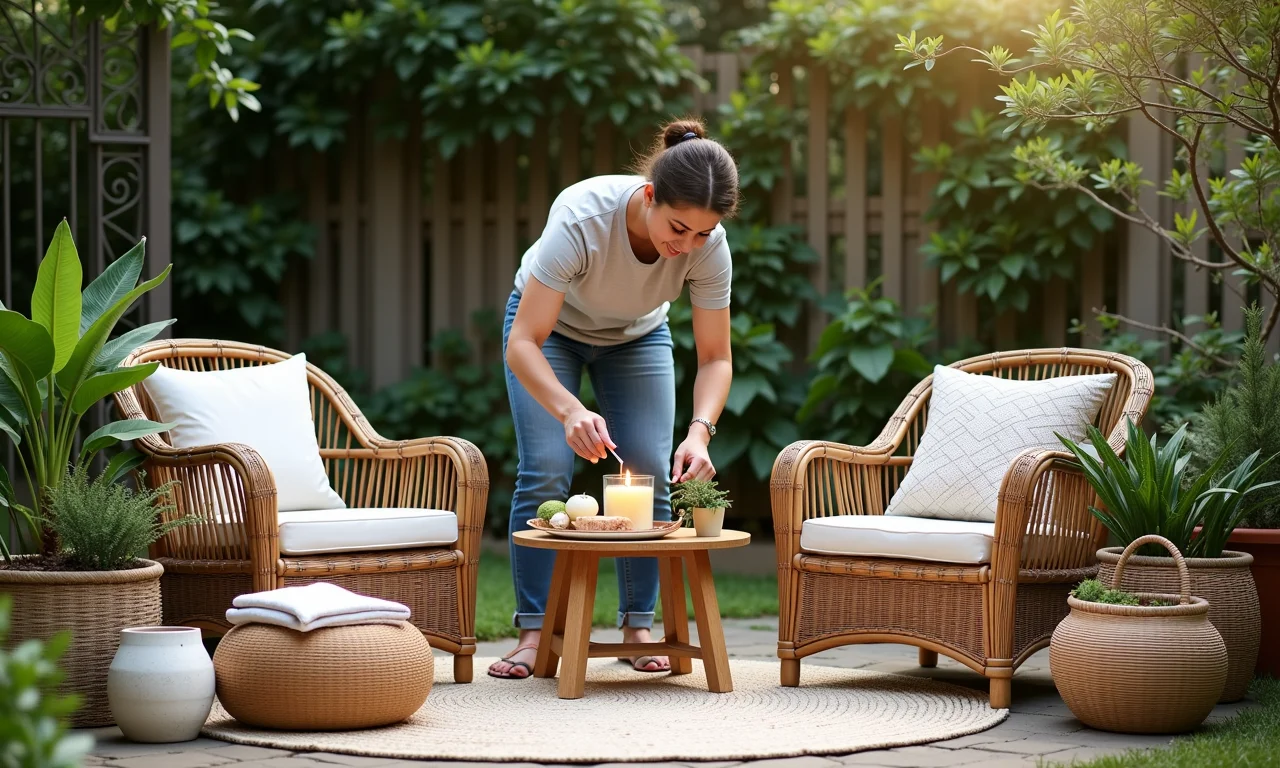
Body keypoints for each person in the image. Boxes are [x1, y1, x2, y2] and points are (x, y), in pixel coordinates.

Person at [488, 118, 740, 679]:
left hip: (638, 336)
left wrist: (700, 431)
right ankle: (535, 635)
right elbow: (523, 342)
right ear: (649, 195)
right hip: (551, 334)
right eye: (678, 228)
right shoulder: (582, 218)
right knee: (548, 467)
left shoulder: (708, 248)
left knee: (648, 468)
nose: (686, 247)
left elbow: (717, 358)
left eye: (702, 234)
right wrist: (569, 409)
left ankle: (636, 627)